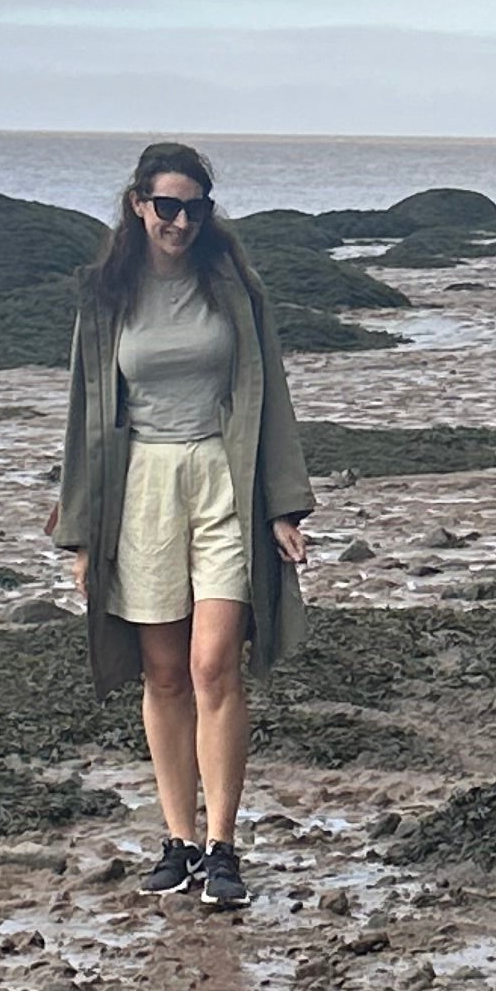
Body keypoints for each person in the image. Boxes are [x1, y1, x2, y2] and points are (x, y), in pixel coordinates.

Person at [51, 141, 313, 911]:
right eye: (168, 206)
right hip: (140, 490)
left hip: (222, 477)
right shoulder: (107, 295)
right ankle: (178, 839)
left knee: (213, 667)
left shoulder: (234, 286)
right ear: (138, 205)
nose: (181, 221)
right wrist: (80, 529)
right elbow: (84, 416)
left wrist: (283, 504)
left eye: (195, 208)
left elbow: (273, 395)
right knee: (163, 674)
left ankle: (224, 845)